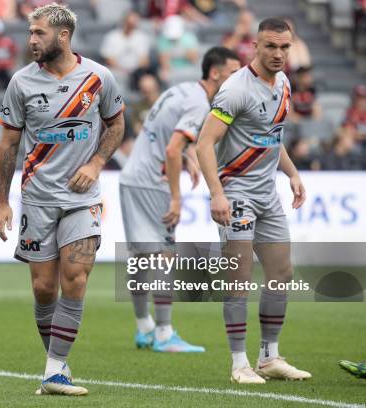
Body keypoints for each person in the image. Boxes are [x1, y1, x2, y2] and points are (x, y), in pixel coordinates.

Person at [0, 3, 124, 396]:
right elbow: (8, 143)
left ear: (63, 36)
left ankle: (52, 373)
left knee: (76, 278)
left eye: (39, 33)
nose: (31, 39)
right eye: (30, 33)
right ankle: (59, 364)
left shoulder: (99, 78)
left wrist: (98, 162)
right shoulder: (21, 83)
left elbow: (117, 123)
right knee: (44, 289)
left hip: (84, 200)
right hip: (37, 199)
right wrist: (2, 201)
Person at [196, 18, 312, 384]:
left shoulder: (284, 84)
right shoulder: (235, 90)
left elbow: (271, 138)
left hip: (267, 195)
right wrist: (217, 194)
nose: (278, 54)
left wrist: (291, 173)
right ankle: (238, 363)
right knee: (238, 279)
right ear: (255, 47)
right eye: (271, 47)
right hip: (237, 195)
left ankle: (269, 357)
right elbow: (203, 144)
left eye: (284, 47)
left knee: (282, 273)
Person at [120, 47, 241, 353]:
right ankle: (163, 334)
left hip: (132, 175)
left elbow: (165, 136)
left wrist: (188, 155)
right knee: (164, 255)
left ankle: (144, 327)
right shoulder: (201, 105)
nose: (238, 80)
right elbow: (172, 149)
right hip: (152, 182)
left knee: (140, 257)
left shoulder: (181, 90)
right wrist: (176, 198)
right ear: (215, 73)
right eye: (233, 73)